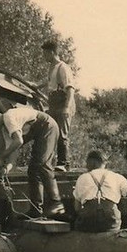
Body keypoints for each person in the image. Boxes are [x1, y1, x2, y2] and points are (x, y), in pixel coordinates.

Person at [0, 105, 65, 219]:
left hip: (47, 125)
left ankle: (57, 203)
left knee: (42, 163)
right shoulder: (5, 131)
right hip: (40, 131)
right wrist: (5, 169)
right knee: (32, 170)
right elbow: (14, 153)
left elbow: (18, 141)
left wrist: (1, 156)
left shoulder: (8, 117)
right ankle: (36, 209)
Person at [36, 39, 76, 171]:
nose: (44, 56)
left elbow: (70, 88)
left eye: (45, 53)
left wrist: (67, 107)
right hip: (54, 102)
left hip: (62, 102)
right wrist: (36, 85)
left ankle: (64, 163)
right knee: (53, 131)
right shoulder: (52, 68)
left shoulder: (63, 68)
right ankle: (54, 161)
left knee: (62, 134)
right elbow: (49, 82)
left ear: (52, 52)